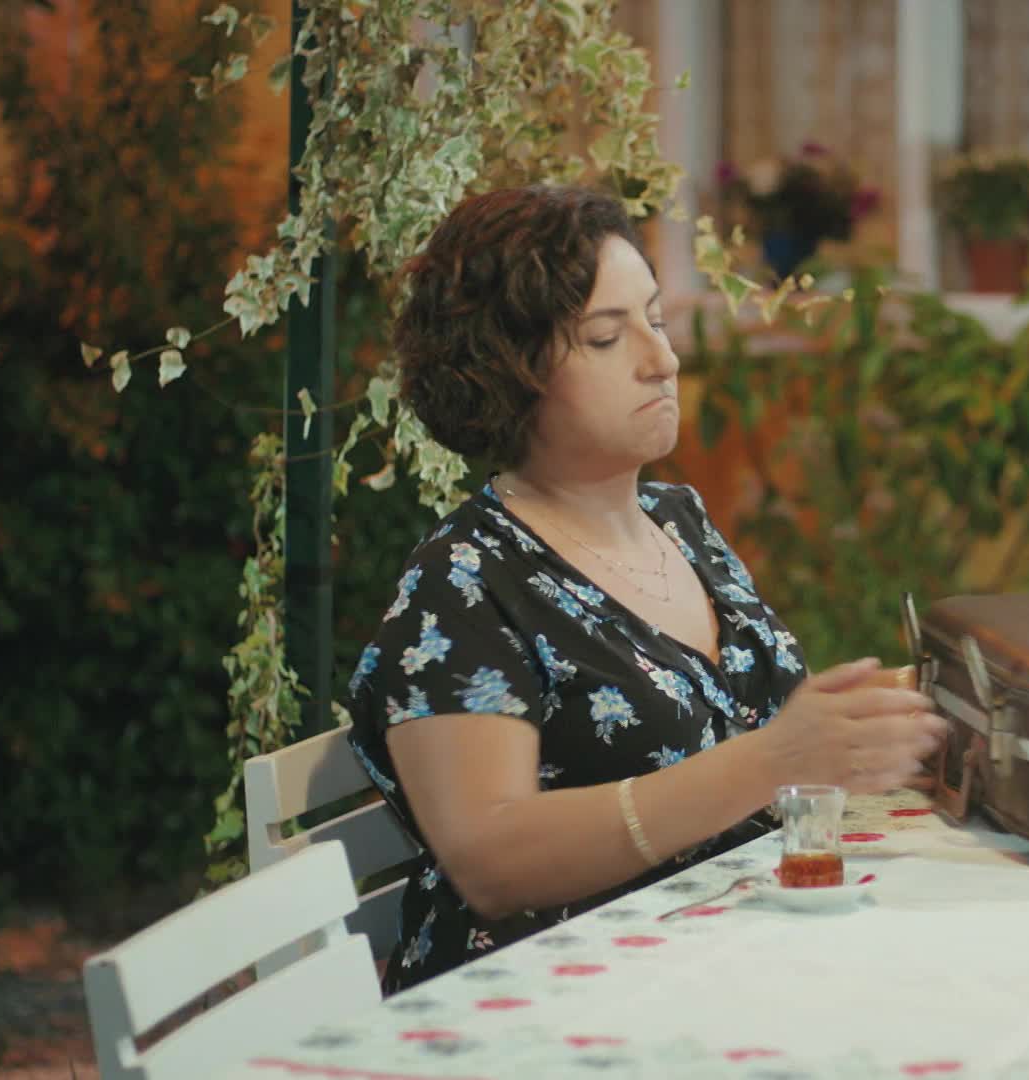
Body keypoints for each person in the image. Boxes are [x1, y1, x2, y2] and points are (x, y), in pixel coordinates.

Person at [344, 184, 948, 994]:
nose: (662, 360)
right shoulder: (465, 582)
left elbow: (758, 729)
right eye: (605, 337)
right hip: (547, 996)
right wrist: (771, 761)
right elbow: (492, 860)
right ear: (508, 373)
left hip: (722, 956)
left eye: (656, 321)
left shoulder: (678, 520)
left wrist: (878, 722)